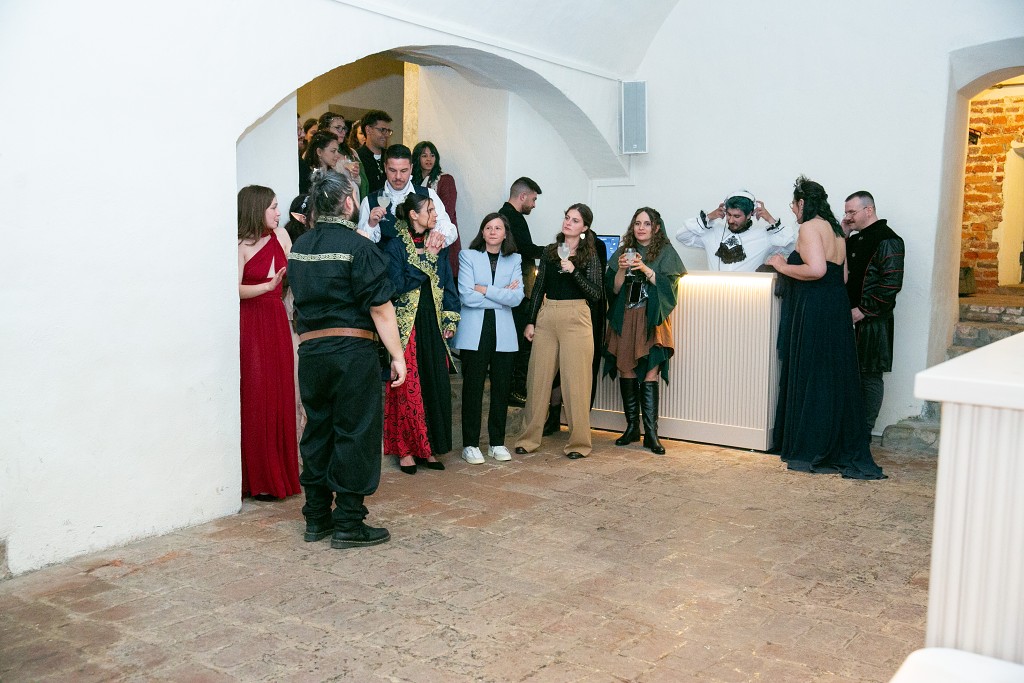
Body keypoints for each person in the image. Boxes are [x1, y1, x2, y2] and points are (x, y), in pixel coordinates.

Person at [287, 170, 406, 549]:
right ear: (349, 202)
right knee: (355, 431)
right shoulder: (359, 247)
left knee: (318, 430)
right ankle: (349, 523)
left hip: (311, 353)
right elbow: (381, 309)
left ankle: (316, 517)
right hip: (352, 353)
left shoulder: (300, 246)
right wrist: (398, 355)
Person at [765, 177, 886, 480]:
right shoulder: (835, 230)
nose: (793, 211)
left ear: (802, 203)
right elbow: (841, 277)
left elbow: (817, 270)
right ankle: (835, 441)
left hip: (815, 308)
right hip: (836, 307)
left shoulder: (810, 227)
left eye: (794, 205)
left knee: (814, 374)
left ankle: (814, 444)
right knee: (832, 376)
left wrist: (782, 266)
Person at [514, 204, 604, 460]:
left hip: (577, 316)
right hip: (548, 314)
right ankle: (528, 439)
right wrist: (531, 321)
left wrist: (574, 272)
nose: (568, 223)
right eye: (567, 218)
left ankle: (579, 444)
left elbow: (596, 293)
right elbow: (539, 287)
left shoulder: (590, 254)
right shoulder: (550, 251)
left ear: (584, 227)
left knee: (576, 383)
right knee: (537, 380)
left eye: (575, 220)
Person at [383, 193, 461, 474]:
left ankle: (429, 449)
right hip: (406, 327)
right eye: (430, 210)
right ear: (413, 215)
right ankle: (406, 451)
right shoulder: (395, 246)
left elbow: (448, 284)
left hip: (433, 324)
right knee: (408, 389)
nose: (435, 215)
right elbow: (397, 286)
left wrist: (451, 318)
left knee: (434, 386)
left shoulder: (438, 243)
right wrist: (427, 259)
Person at [604, 207, 685, 455]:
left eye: (647, 224)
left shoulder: (665, 251)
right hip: (626, 315)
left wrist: (646, 269)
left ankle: (651, 434)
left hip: (651, 317)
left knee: (650, 370)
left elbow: (670, 287)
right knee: (626, 367)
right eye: (637, 223)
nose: (641, 228)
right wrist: (621, 269)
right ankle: (632, 428)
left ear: (656, 227)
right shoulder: (623, 251)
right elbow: (613, 290)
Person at [237, 185, 301, 501]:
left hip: (277, 320)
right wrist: (266, 286)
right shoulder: (240, 246)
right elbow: (234, 289)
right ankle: (259, 479)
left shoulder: (282, 236)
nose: (278, 212)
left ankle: (282, 475)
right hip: (251, 323)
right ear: (256, 208)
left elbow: (296, 273)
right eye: (273, 207)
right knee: (257, 394)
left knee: (280, 393)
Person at [452, 213, 524, 464]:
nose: (493, 231)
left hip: (504, 332)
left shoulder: (515, 259)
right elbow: (466, 296)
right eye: (488, 227)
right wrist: (501, 295)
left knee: (502, 389)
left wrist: (484, 289)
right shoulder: (468, 256)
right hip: (475, 332)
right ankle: (470, 445)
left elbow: (517, 298)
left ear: (505, 234)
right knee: (473, 388)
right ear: (482, 232)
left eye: (498, 228)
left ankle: (497, 443)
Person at [843, 191, 905, 436]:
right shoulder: (856, 239)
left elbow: (891, 284)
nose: (848, 217)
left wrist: (863, 311)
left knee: (869, 375)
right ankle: (849, 429)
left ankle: (864, 431)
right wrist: (844, 235)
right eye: (846, 212)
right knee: (848, 373)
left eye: (852, 212)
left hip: (873, 321)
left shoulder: (888, 240)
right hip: (850, 317)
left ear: (868, 210)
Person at [357, 144, 458, 248]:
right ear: (385, 168)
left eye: (403, 171)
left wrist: (438, 235)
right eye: (392, 170)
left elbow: (448, 229)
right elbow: (361, 245)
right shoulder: (369, 201)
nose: (398, 176)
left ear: (411, 168)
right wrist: (371, 224)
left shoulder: (429, 194)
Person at [499, 177, 544, 406]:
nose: (534, 205)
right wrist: (555, 252)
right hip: (517, 290)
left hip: (515, 289)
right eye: (533, 200)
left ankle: (513, 389)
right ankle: (515, 391)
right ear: (523, 196)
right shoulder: (512, 218)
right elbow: (527, 249)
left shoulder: (506, 216)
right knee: (520, 343)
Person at [676, 191, 796, 271]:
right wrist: (709, 217)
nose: (731, 220)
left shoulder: (764, 236)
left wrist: (771, 220)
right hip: (714, 294)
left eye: (737, 216)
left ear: (749, 215)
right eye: (729, 214)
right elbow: (682, 236)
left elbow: (792, 248)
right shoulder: (712, 232)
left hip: (747, 296)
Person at [412, 140, 462, 277]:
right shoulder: (412, 182)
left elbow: (448, 211)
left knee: (442, 276)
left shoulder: (445, 180)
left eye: (432, 155)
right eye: (424, 155)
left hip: (442, 235)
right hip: (419, 237)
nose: (429, 159)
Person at [318, 113, 366, 199]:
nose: (343, 132)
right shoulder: (319, 152)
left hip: (354, 198)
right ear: (325, 129)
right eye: (338, 128)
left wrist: (355, 175)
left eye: (344, 128)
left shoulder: (351, 152)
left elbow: (362, 183)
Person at [356, 109, 393, 194]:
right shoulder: (357, 158)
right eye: (382, 130)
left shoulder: (391, 156)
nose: (386, 135)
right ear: (368, 130)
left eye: (388, 131)